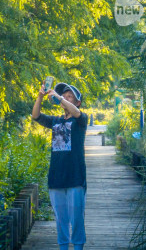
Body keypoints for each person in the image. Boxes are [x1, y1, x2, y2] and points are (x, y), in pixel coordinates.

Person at [31, 79, 88, 250]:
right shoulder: (56, 121)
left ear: (77, 102)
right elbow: (35, 116)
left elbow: (76, 113)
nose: (65, 98)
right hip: (56, 178)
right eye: (63, 96)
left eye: (70, 97)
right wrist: (40, 97)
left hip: (75, 178)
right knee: (61, 219)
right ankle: (63, 247)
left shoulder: (81, 120)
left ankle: (77, 247)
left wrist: (58, 97)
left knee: (76, 218)